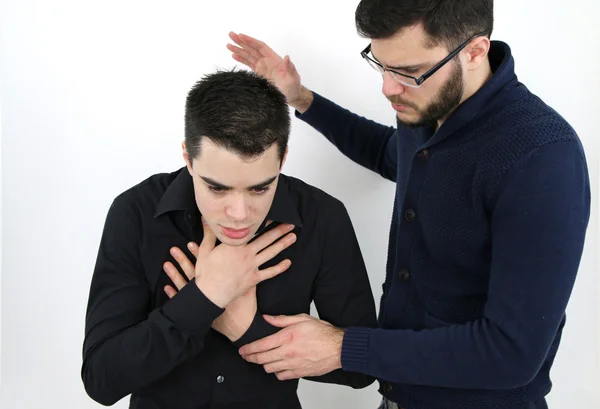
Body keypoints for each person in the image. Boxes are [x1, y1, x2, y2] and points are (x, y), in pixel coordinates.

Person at [227, 1, 592, 408]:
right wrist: (301, 97)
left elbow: (511, 352)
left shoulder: (541, 157)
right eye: (381, 65)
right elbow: (392, 154)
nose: (388, 88)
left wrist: (343, 349)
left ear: (474, 51)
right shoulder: (426, 104)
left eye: (409, 72)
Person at [81, 69, 378, 409]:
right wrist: (204, 298)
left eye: (260, 187)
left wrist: (247, 329)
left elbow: (360, 369)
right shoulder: (135, 213)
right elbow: (101, 380)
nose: (239, 213)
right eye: (217, 188)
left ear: (282, 160)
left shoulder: (322, 218)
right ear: (188, 159)